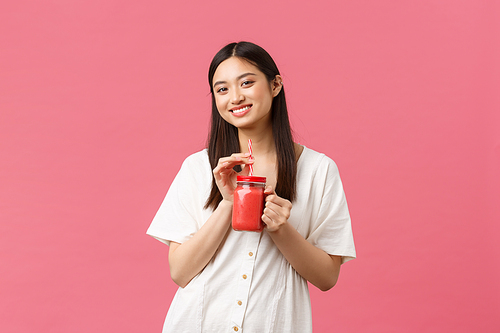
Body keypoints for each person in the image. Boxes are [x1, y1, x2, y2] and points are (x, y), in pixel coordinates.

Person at [147, 41, 356, 332]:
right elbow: (180, 272)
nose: (235, 97)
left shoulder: (319, 170)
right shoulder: (197, 168)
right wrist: (228, 204)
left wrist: (282, 229)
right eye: (222, 89)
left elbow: (326, 278)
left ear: (275, 85)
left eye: (246, 82)